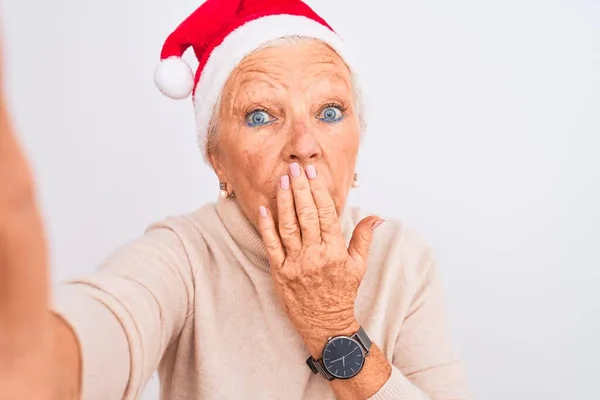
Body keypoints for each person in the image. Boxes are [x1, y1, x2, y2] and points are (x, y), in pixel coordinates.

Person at [0, 0, 470, 399]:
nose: (304, 143)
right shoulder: (182, 256)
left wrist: (333, 328)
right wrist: (29, 351)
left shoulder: (401, 256)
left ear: (358, 139)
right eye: (261, 115)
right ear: (217, 160)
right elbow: (104, 326)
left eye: (330, 111)